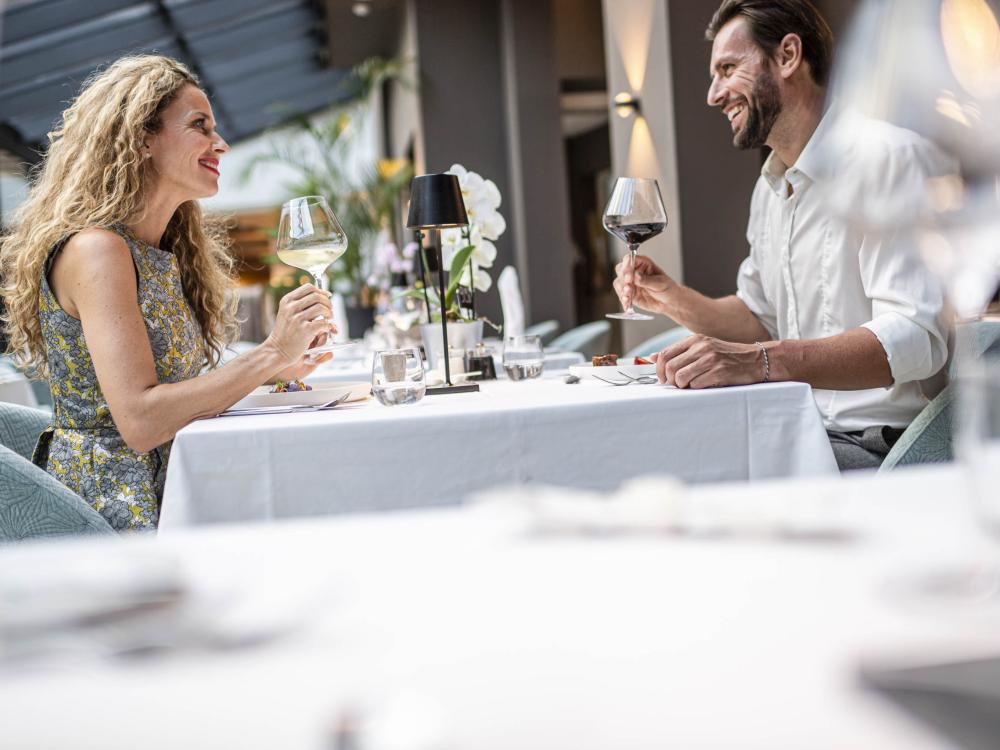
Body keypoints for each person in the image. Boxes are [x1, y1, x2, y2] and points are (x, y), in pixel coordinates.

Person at [613, 0, 951, 470]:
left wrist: (758, 362)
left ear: (788, 55)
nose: (714, 94)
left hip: (883, 449)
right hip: (797, 428)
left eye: (728, 68)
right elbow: (760, 318)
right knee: (647, 455)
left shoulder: (888, 159)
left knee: (680, 473)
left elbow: (915, 340)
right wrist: (670, 298)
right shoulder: (771, 189)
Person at [0, 56, 335, 530]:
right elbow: (140, 421)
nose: (220, 143)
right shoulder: (98, 250)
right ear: (142, 139)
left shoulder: (158, 251)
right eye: (200, 126)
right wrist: (271, 351)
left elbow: (174, 394)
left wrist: (274, 368)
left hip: (177, 479)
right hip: (118, 508)